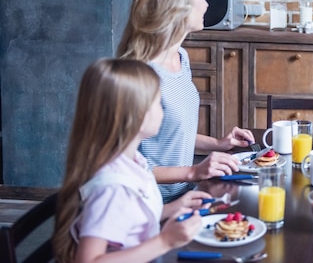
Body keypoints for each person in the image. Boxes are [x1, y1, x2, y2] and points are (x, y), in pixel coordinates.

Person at [117, 0, 255, 203]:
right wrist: (194, 171)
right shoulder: (140, 74)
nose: (206, 4)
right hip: (148, 206)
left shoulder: (181, 58)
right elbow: (125, 166)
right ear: (177, 8)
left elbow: (170, 136)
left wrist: (218, 144)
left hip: (185, 196)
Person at [53, 58, 211, 263]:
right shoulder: (113, 188)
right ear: (137, 116)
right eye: (158, 103)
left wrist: (173, 208)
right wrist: (165, 241)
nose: (163, 110)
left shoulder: (133, 161)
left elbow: (128, 219)